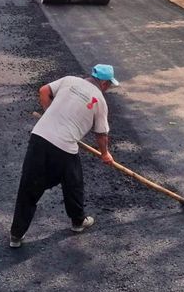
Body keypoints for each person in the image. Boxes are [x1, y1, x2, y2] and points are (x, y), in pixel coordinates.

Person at [9, 64, 119, 248]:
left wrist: (50, 114)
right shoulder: (99, 100)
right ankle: (77, 222)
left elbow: (44, 91)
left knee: (28, 188)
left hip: (39, 137)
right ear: (105, 83)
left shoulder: (69, 80)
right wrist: (105, 154)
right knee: (73, 183)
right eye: (109, 85)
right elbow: (101, 134)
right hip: (64, 147)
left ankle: (16, 235)